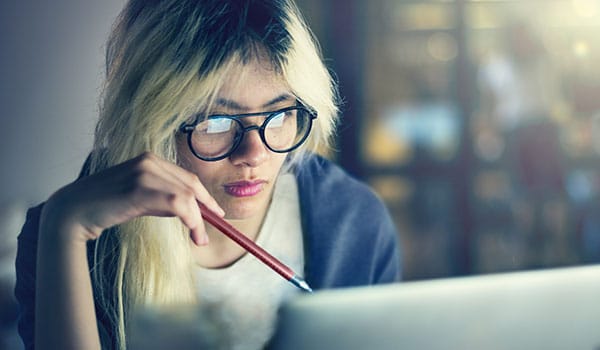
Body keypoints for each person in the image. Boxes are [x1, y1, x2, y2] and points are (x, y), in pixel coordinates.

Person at [14, 1, 402, 349]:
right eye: (215, 123)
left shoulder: (354, 220)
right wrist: (65, 227)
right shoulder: (62, 233)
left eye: (281, 115)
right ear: (153, 121)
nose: (254, 154)